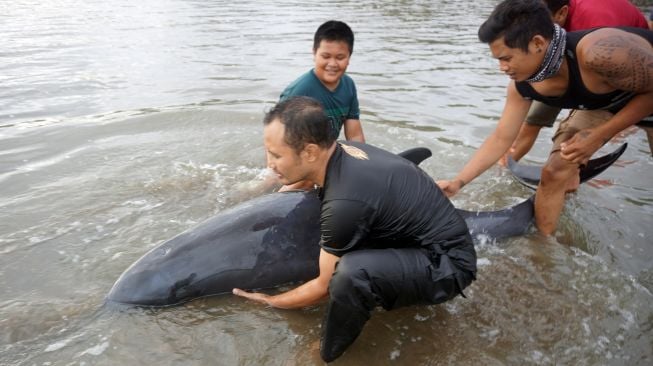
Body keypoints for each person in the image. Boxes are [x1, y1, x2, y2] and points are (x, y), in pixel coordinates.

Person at [233, 96, 476, 362]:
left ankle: (328, 351)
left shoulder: (343, 204)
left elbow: (324, 286)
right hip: (421, 238)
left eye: (277, 155)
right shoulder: (342, 150)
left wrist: (271, 301)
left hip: (450, 265)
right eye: (268, 152)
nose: (269, 162)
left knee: (350, 275)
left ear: (311, 152)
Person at [437, 0, 653, 236]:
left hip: (646, 93)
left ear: (538, 43)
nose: (502, 68)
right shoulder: (521, 86)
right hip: (605, 102)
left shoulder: (600, 52)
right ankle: (544, 245)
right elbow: (501, 138)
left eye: (506, 58)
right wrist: (458, 182)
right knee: (555, 170)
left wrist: (599, 136)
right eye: (497, 60)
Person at [505, 0, 649, 165]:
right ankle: (503, 170)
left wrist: (599, 134)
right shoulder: (547, 30)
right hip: (564, 65)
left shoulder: (598, 30)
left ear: (562, 13)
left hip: (621, 74)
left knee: (571, 144)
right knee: (531, 122)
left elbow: (588, 86)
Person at [280, 20, 365, 143]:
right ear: (314, 53)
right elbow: (277, 139)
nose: (332, 64)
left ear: (349, 57)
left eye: (340, 57)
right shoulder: (298, 92)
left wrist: (364, 160)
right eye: (325, 56)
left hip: (327, 151)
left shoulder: (349, 86)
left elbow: (355, 137)